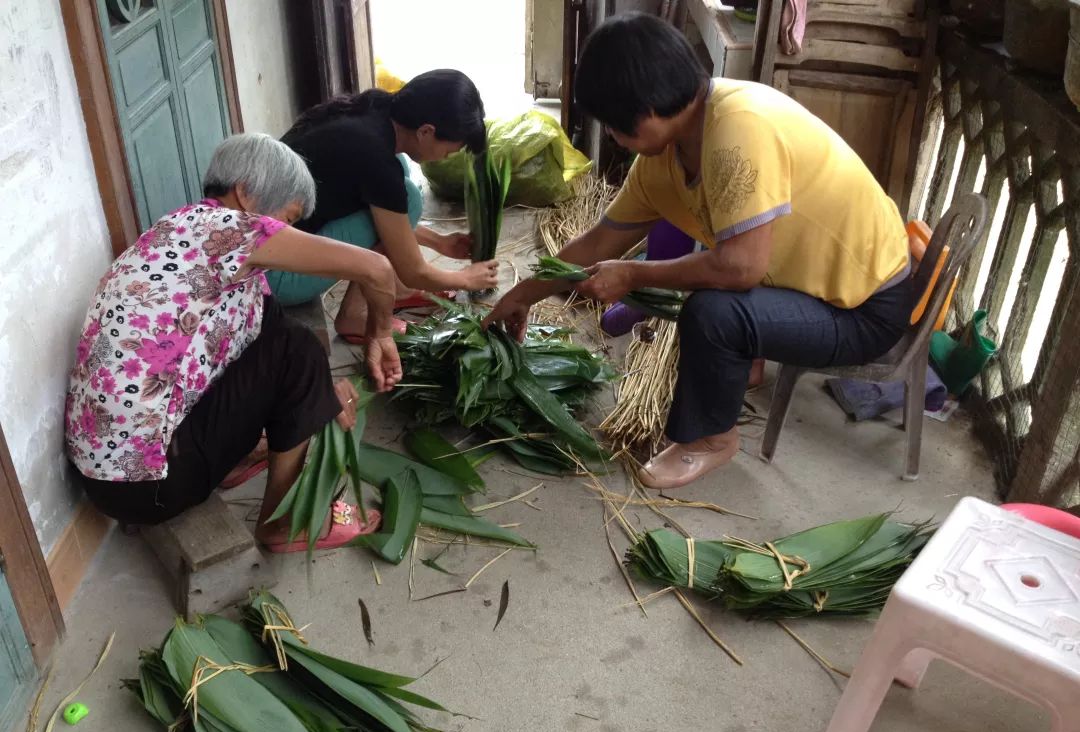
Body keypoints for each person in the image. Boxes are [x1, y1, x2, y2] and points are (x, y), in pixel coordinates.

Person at [483, 13, 912, 490]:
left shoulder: (738, 128)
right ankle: (730, 383)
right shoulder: (665, 154)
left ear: (645, 109)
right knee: (709, 297)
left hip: (863, 308)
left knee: (715, 311)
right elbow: (603, 239)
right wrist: (526, 291)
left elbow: (741, 267)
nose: (617, 138)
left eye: (614, 124)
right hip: (803, 287)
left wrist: (632, 276)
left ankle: (710, 439)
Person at [65, 133, 402, 552]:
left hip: (110, 479)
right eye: (288, 219)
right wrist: (380, 334)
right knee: (298, 348)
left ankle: (234, 459)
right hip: (150, 483)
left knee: (284, 341)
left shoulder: (179, 231)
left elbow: (265, 333)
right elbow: (378, 269)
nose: (288, 232)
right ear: (244, 193)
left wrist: (321, 394)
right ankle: (285, 523)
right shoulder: (226, 230)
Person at [269, 69, 500, 342]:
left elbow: (386, 217)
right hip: (274, 275)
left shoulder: (377, 110)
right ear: (426, 131)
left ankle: (395, 290)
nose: (443, 158)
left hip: (265, 244)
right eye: (448, 151)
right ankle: (355, 315)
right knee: (408, 197)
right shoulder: (375, 159)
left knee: (400, 173)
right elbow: (413, 270)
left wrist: (438, 242)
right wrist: (465, 278)